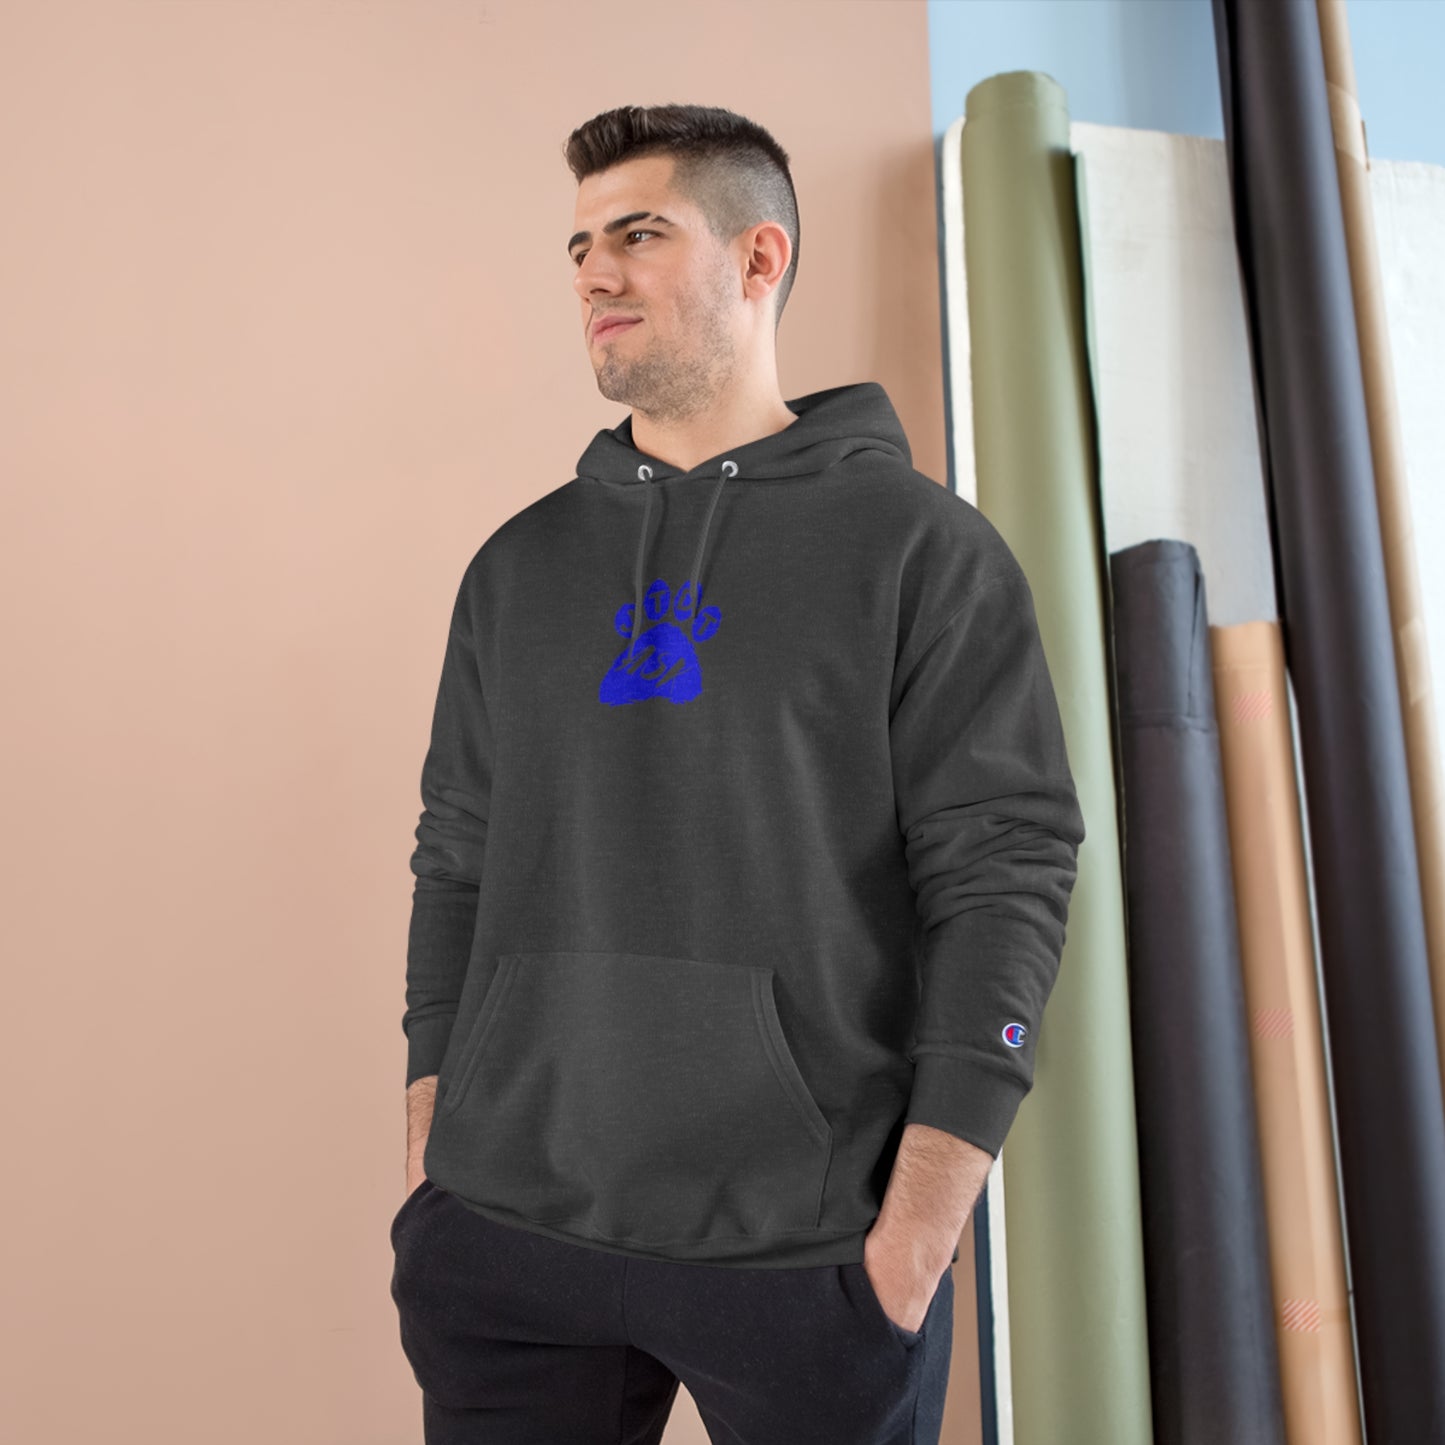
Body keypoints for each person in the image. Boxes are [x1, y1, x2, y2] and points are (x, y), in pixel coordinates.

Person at [389, 102, 1085, 1445]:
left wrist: (921, 1226)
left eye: (639, 235)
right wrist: (433, 1133)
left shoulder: (922, 553)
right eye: (579, 246)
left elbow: (1003, 876)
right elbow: (455, 852)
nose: (593, 274)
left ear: (759, 258)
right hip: (506, 1234)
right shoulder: (518, 568)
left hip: (804, 1249)